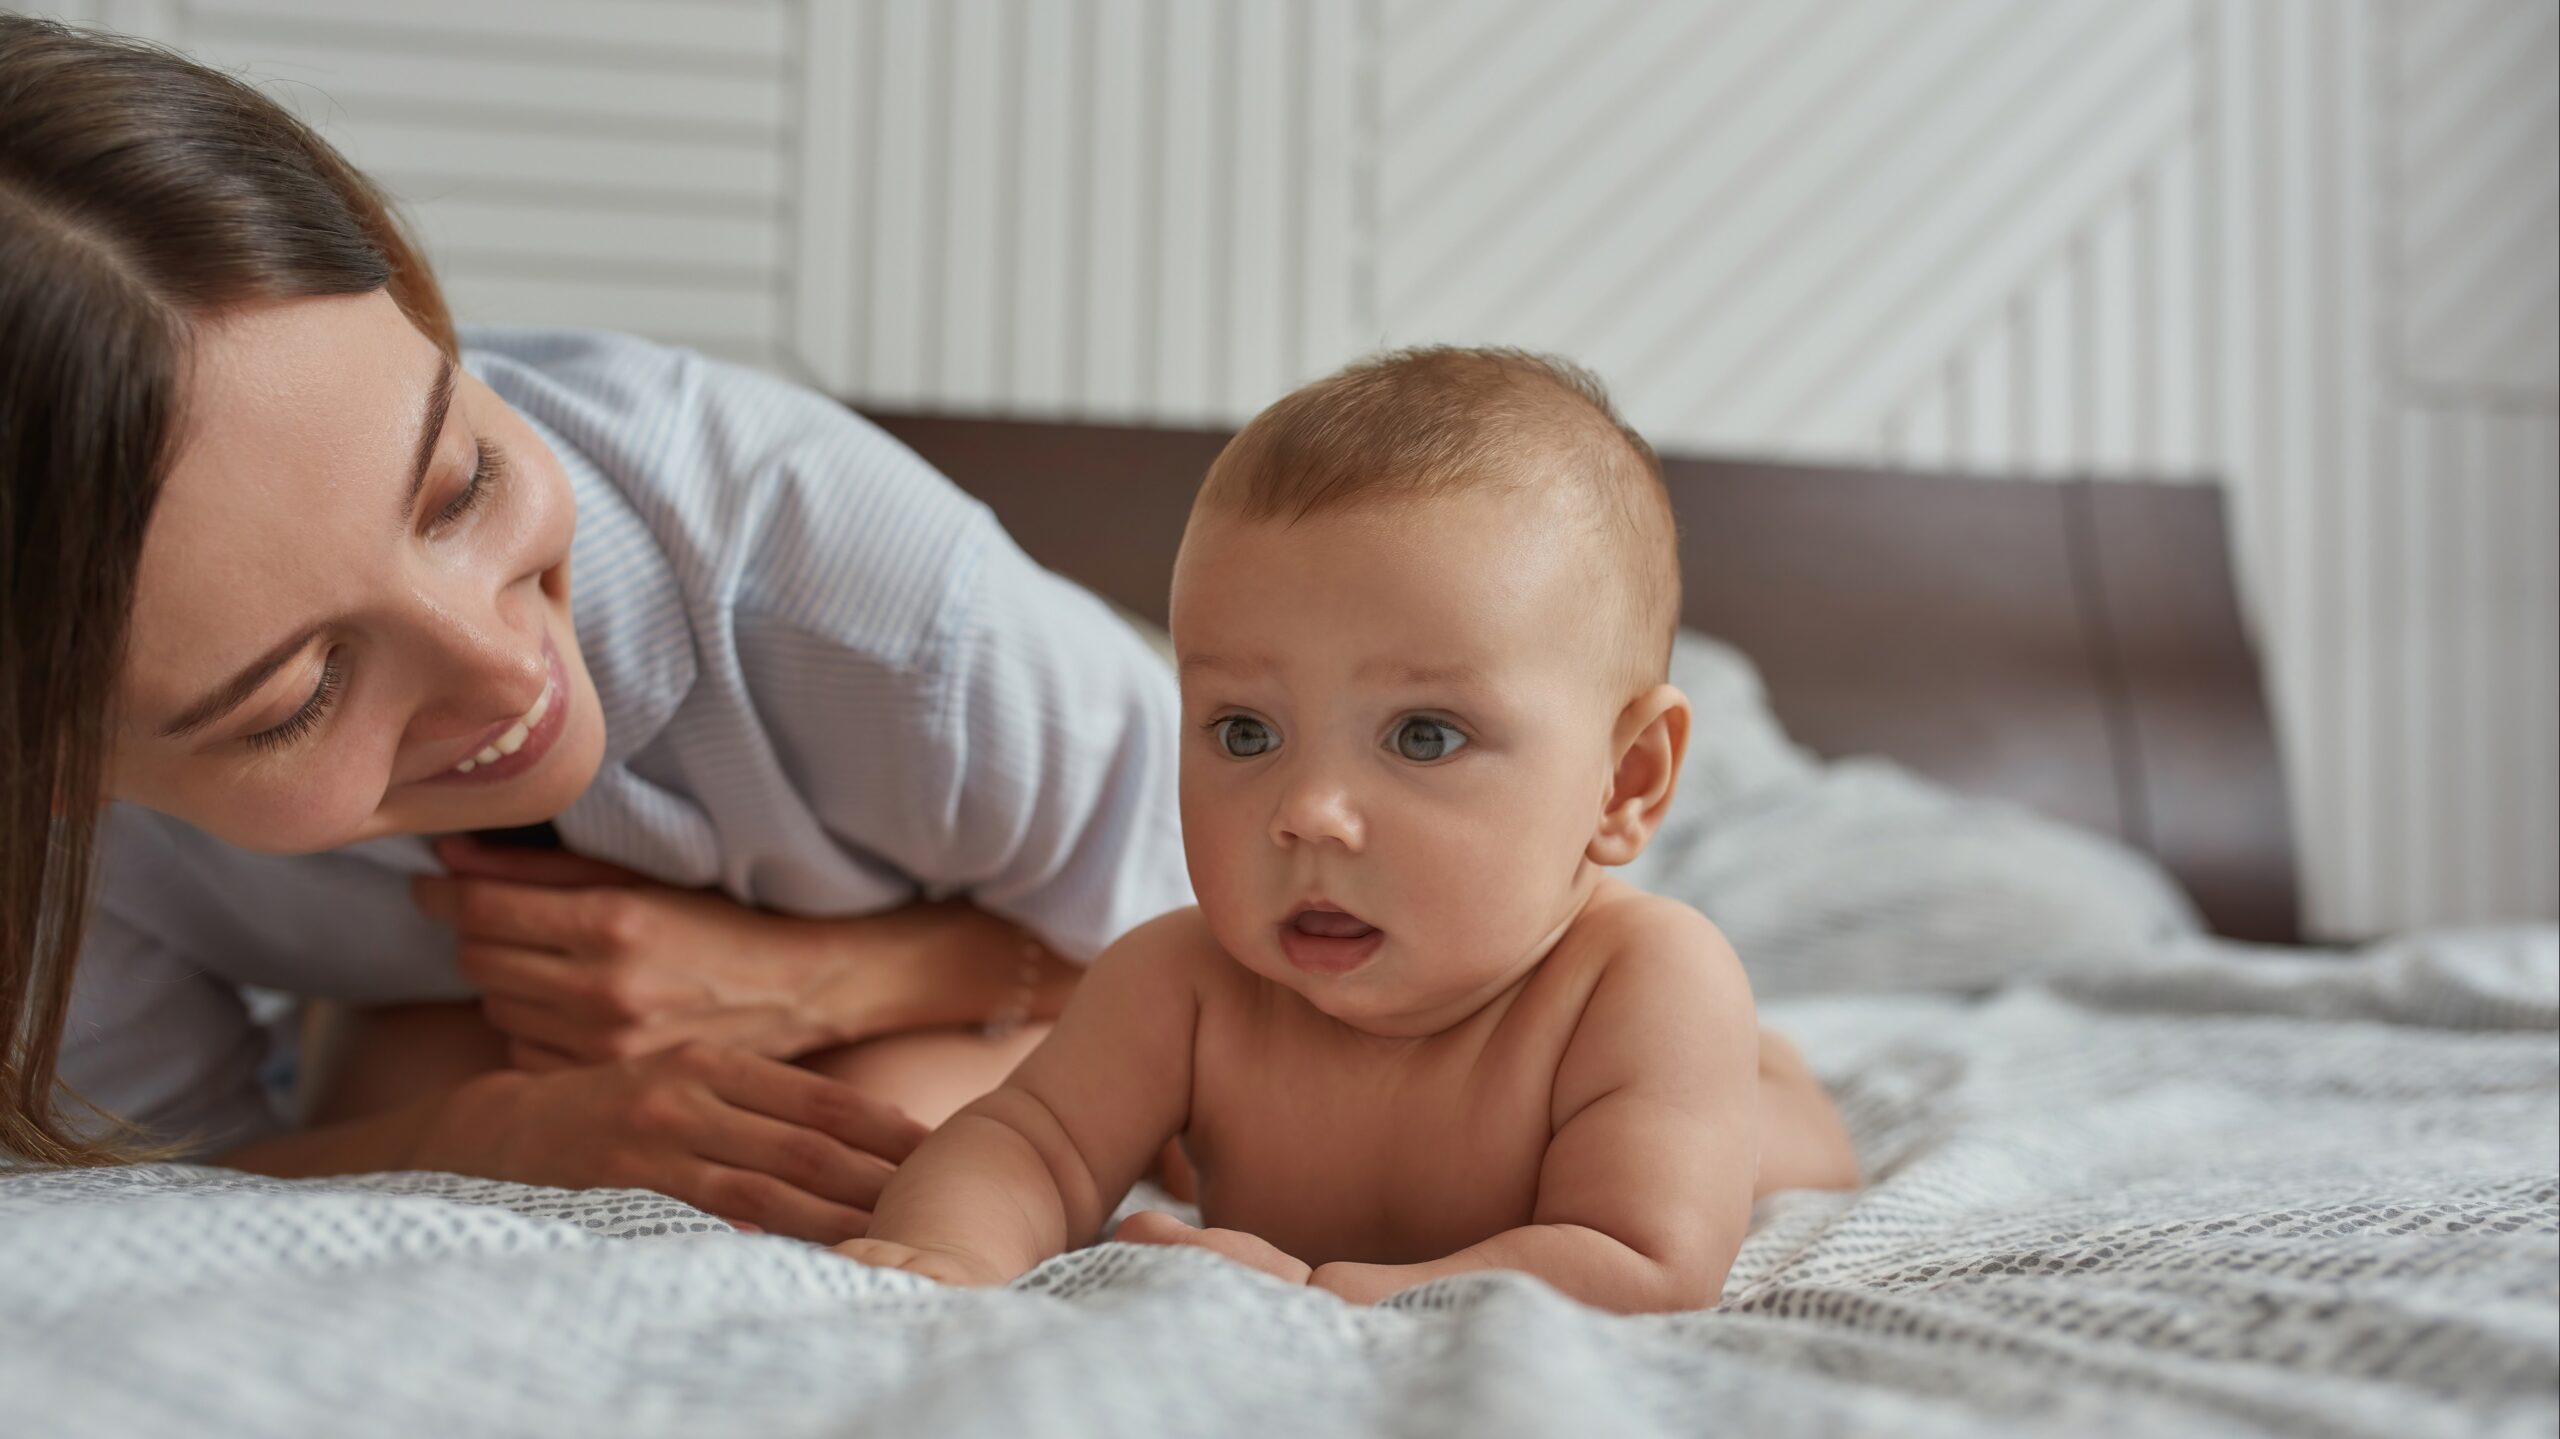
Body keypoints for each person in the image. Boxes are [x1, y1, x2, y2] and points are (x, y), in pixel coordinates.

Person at [0, 17, 1191, 1243]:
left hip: (1085, 893)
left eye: (459, 485)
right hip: (487, 1014)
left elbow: (1296, 970)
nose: (510, 669)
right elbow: (145, 1183)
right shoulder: (44, 835)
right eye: (299, 694)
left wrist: (832, 979)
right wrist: (485, 1141)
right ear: (50, 778)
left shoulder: (870, 597)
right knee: (417, 1092)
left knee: (883, 1158)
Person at [838, 348, 1860, 1313]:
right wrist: (949, 1252)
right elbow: (1027, 1141)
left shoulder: (1639, 980)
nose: (1306, 810)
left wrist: (1315, 1290)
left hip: (1704, 1102)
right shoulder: (1180, 979)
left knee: (1773, 1139)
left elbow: (1643, 1265)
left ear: (1622, 782)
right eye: (1246, 730)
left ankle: (1765, 1074)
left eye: (1423, 734)